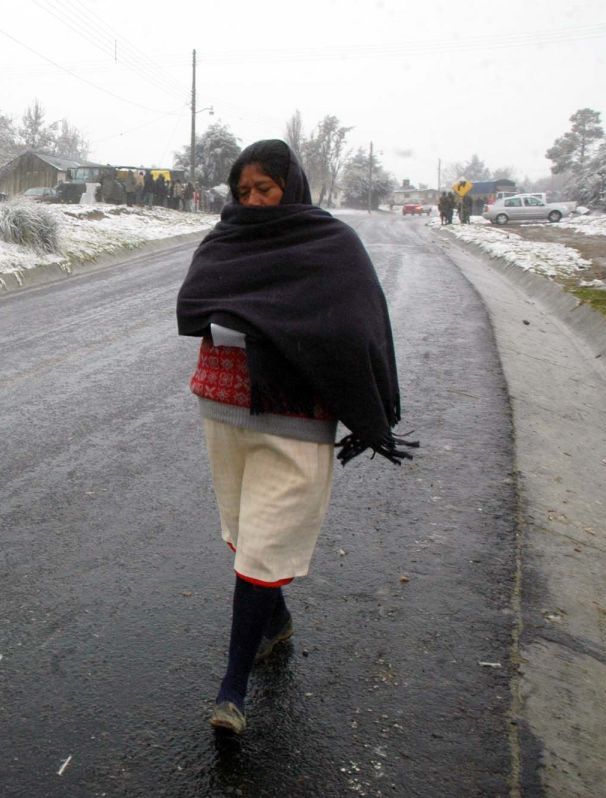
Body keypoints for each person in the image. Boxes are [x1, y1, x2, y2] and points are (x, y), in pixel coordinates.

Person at [176, 139, 416, 735]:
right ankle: (275, 621)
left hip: (296, 417)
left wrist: (278, 327)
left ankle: (232, 691)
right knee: (244, 532)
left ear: (293, 186)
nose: (253, 201)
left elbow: (357, 324)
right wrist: (262, 317)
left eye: (265, 189)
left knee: (266, 540)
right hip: (226, 408)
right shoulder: (224, 239)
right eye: (243, 191)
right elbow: (191, 304)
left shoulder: (330, 244)